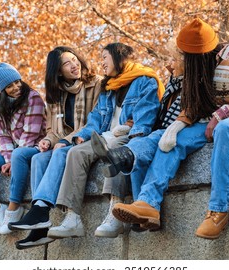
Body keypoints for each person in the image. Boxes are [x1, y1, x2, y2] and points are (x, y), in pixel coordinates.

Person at [91, 18, 229, 239]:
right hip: (210, 123)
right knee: (169, 141)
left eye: (183, 57)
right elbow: (193, 105)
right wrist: (179, 125)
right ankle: (148, 203)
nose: (179, 62)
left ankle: (218, 210)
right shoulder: (199, 67)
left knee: (226, 129)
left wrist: (222, 114)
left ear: (196, 56)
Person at [43, 42, 164, 239]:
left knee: (114, 152)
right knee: (75, 152)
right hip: (105, 136)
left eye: (104, 59)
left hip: (130, 136)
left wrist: (126, 130)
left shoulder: (145, 80)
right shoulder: (107, 87)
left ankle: (114, 213)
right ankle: (72, 219)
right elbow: (96, 118)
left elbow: (145, 121)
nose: (102, 64)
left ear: (118, 57)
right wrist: (82, 135)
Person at [7, 46, 102, 249]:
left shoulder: (96, 84)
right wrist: (47, 141)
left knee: (58, 152)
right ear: (58, 71)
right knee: (38, 157)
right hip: (64, 143)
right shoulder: (56, 96)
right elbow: (52, 130)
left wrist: (65, 140)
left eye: (74, 59)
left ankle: (40, 209)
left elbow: (96, 121)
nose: (74, 64)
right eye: (67, 63)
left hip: (87, 140)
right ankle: (40, 227)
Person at [0, 62, 47, 235]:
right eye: (9, 86)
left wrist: (12, 160)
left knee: (19, 154)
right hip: (12, 153)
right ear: (2, 89)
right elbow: (3, 135)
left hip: (35, 148)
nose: (16, 87)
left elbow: (31, 134)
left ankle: (14, 209)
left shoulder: (33, 98)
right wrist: (7, 159)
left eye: (17, 82)